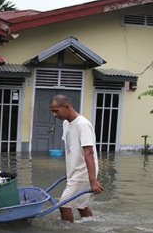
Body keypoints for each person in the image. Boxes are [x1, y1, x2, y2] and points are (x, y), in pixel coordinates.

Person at [49, 94, 104, 222]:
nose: (54, 114)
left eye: (56, 111)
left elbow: (89, 152)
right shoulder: (66, 124)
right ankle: (89, 224)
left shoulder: (82, 124)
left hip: (84, 172)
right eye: (52, 111)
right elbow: (71, 149)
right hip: (75, 171)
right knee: (81, 205)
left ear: (67, 106)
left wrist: (93, 180)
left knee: (63, 204)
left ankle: (67, 229)